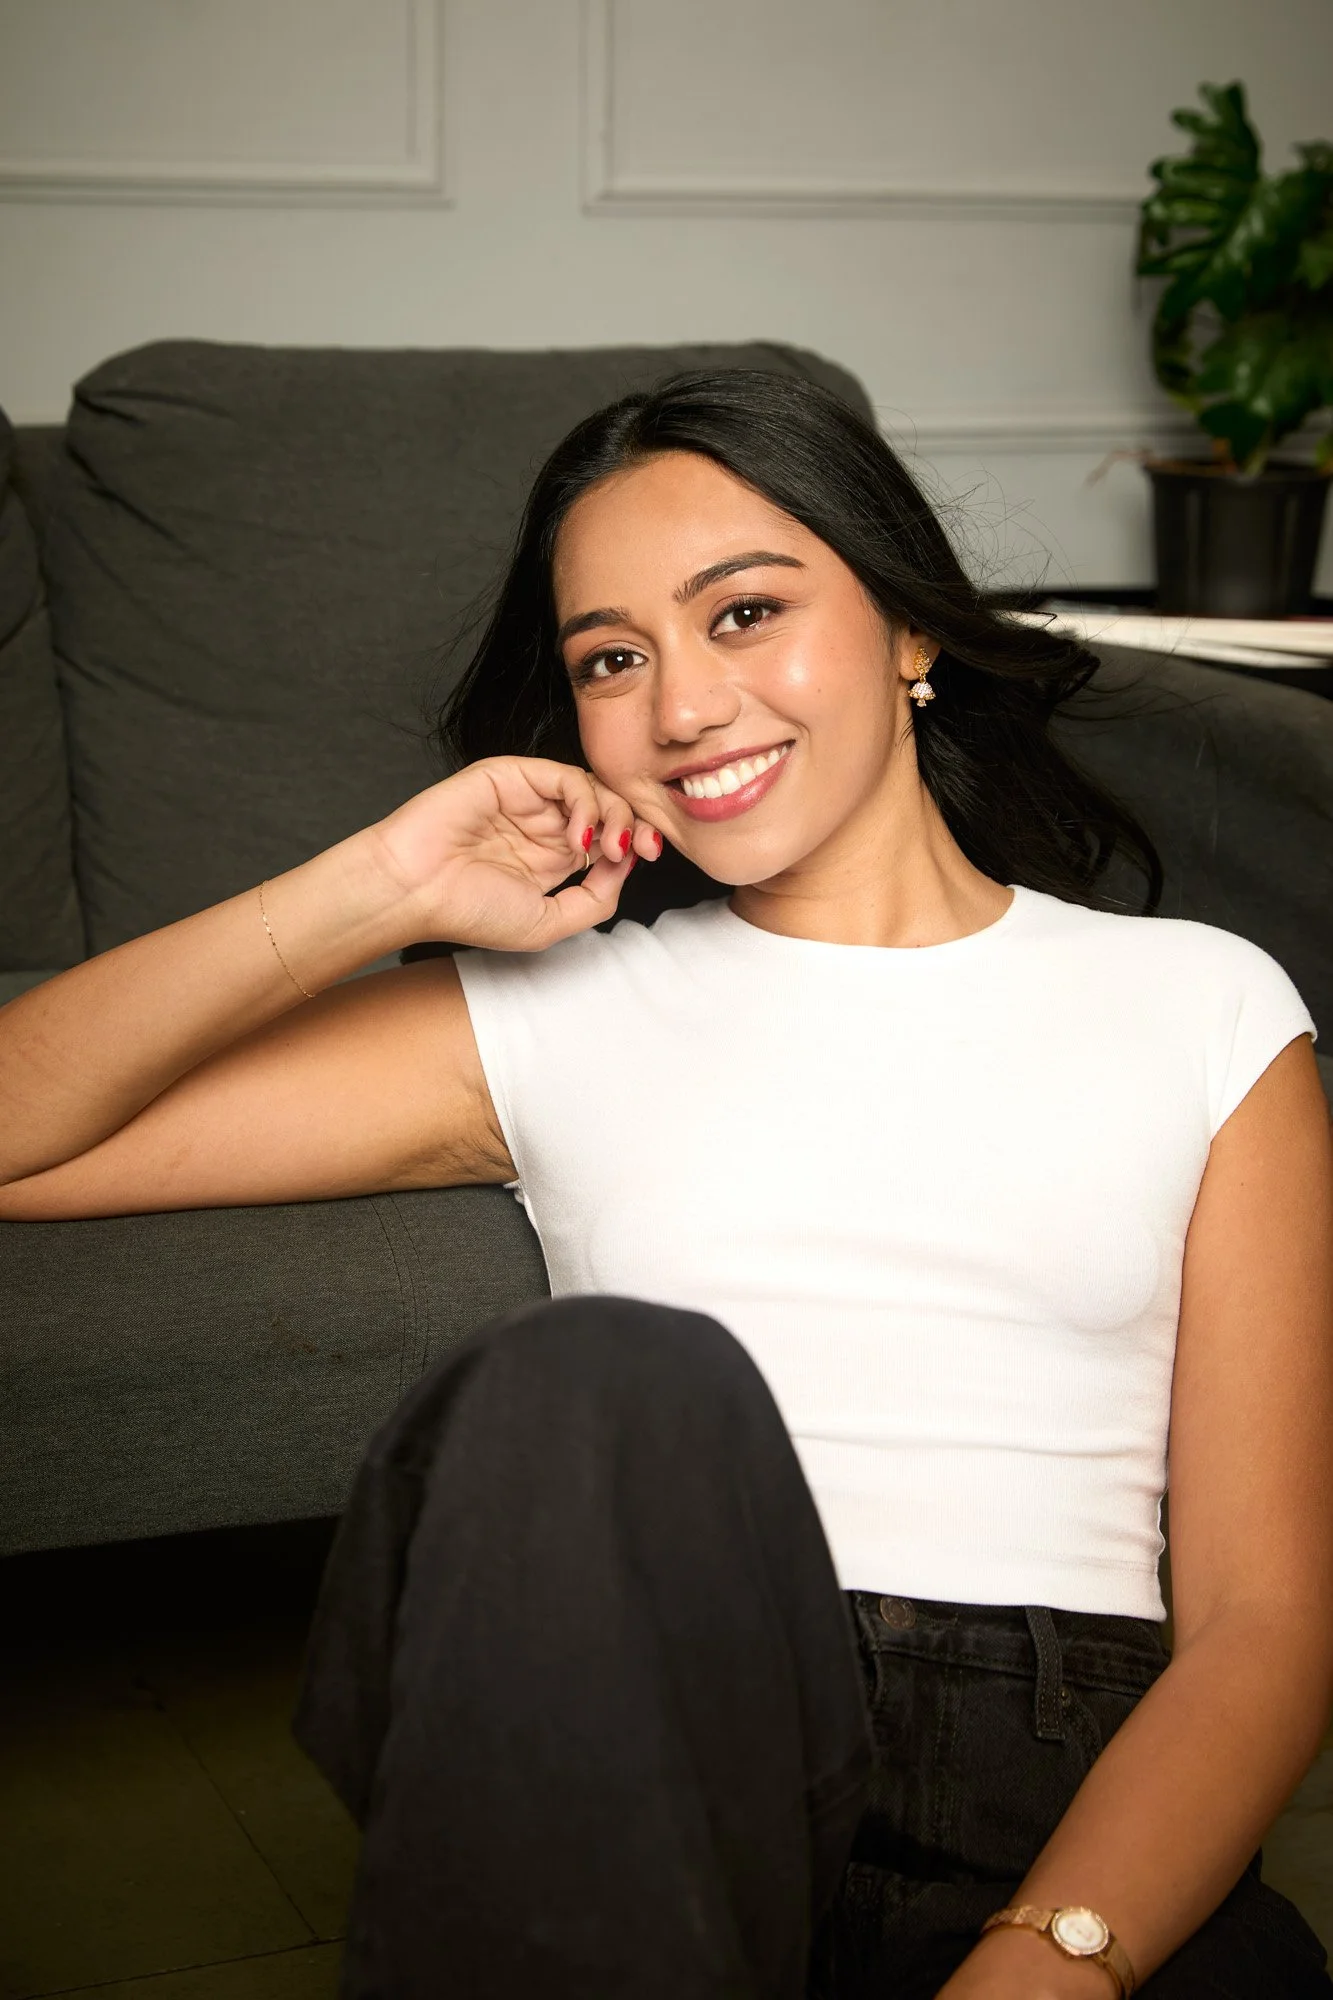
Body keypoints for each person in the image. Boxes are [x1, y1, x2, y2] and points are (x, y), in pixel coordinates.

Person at [0, 371, 1329, 2000]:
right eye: (611, 660)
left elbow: (1264, 1621)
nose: (684, 707)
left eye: (745, 612)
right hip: (664, 1760)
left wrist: (1053, 1961)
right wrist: (379, 885)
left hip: (1075, 1805)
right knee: (594, 1377)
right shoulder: (555, 1013)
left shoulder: (1203, 1006)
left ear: (911, 628)